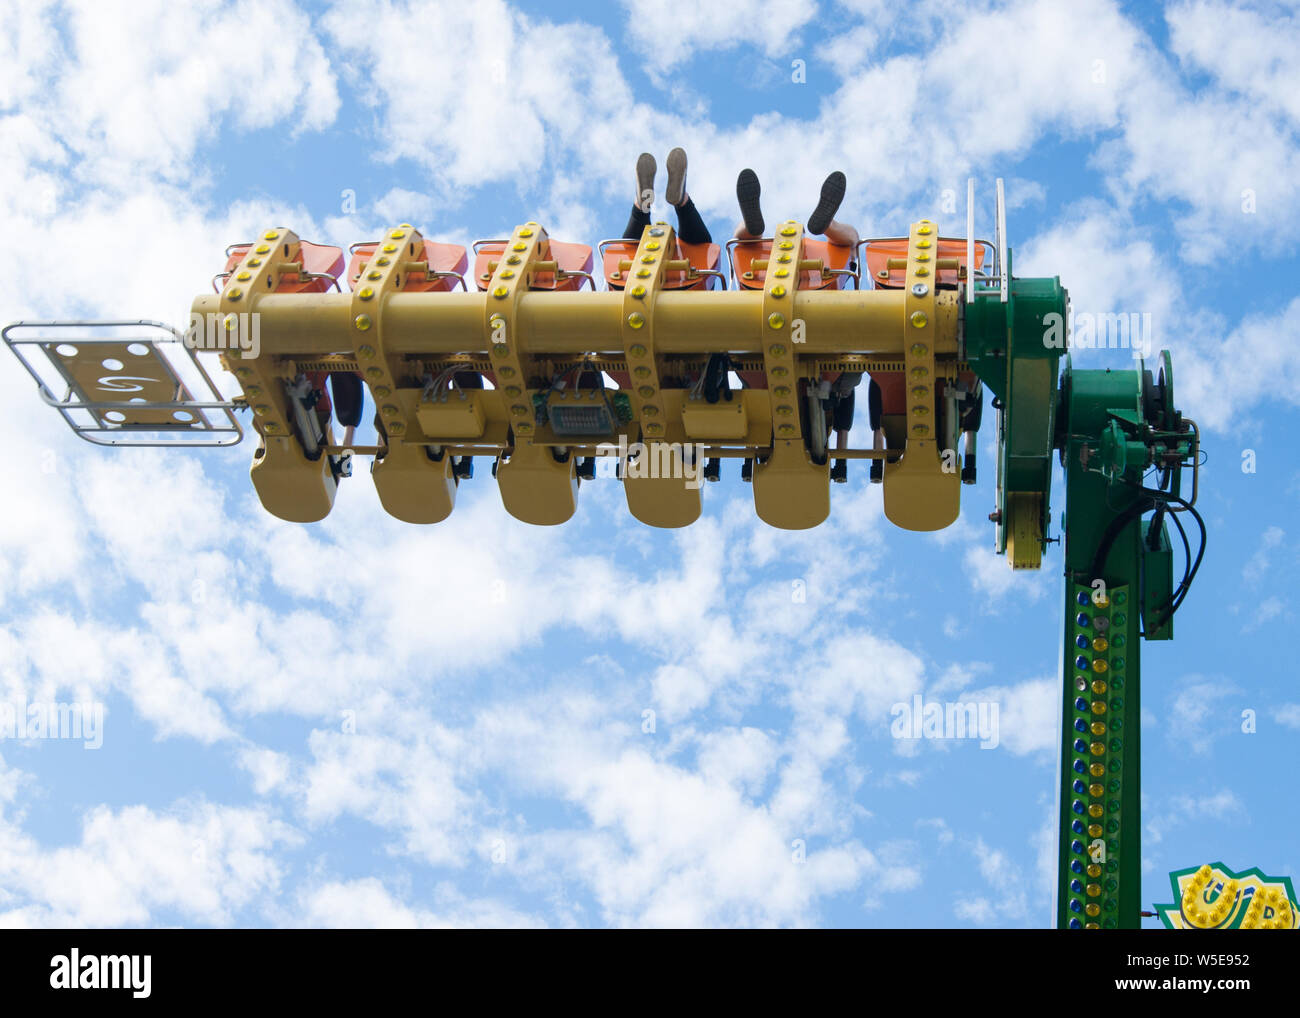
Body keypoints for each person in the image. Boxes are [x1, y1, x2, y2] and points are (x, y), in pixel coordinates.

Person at [622, 148, 713, 245]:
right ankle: (681, 201)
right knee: (701, 242)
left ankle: (642, 206)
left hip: (634, 254)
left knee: (631, 245)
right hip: (692, 253)